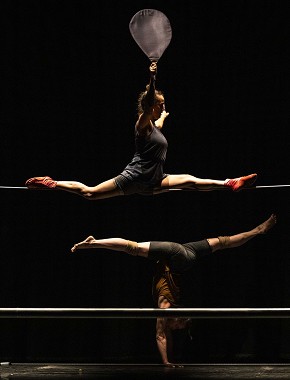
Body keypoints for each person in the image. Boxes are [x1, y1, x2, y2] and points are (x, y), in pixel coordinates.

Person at [25, 62, 257, 200]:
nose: (163, 107)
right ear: (151, 106)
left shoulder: (155, 128)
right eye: (161, 104)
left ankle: (231, 182)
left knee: (191, 181)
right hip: (134, 178)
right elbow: (147, 105)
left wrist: (164, 117)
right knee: (90, 193)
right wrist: (152, 78)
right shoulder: (142, 124)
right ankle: (52, 182)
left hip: (154, 181)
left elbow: (159, 127)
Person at [70, 214, 277, 366]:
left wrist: (168, 362)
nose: (176, 328)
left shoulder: (166, 307)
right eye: (180, 326)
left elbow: (162, 335)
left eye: (179, 327)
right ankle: (257, 231)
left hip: (181, 255)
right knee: (132, 247)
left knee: (223, 242)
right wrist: (168, 361)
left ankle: (94, 242)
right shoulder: (168, 306)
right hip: (181, 256)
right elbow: (163, 335)